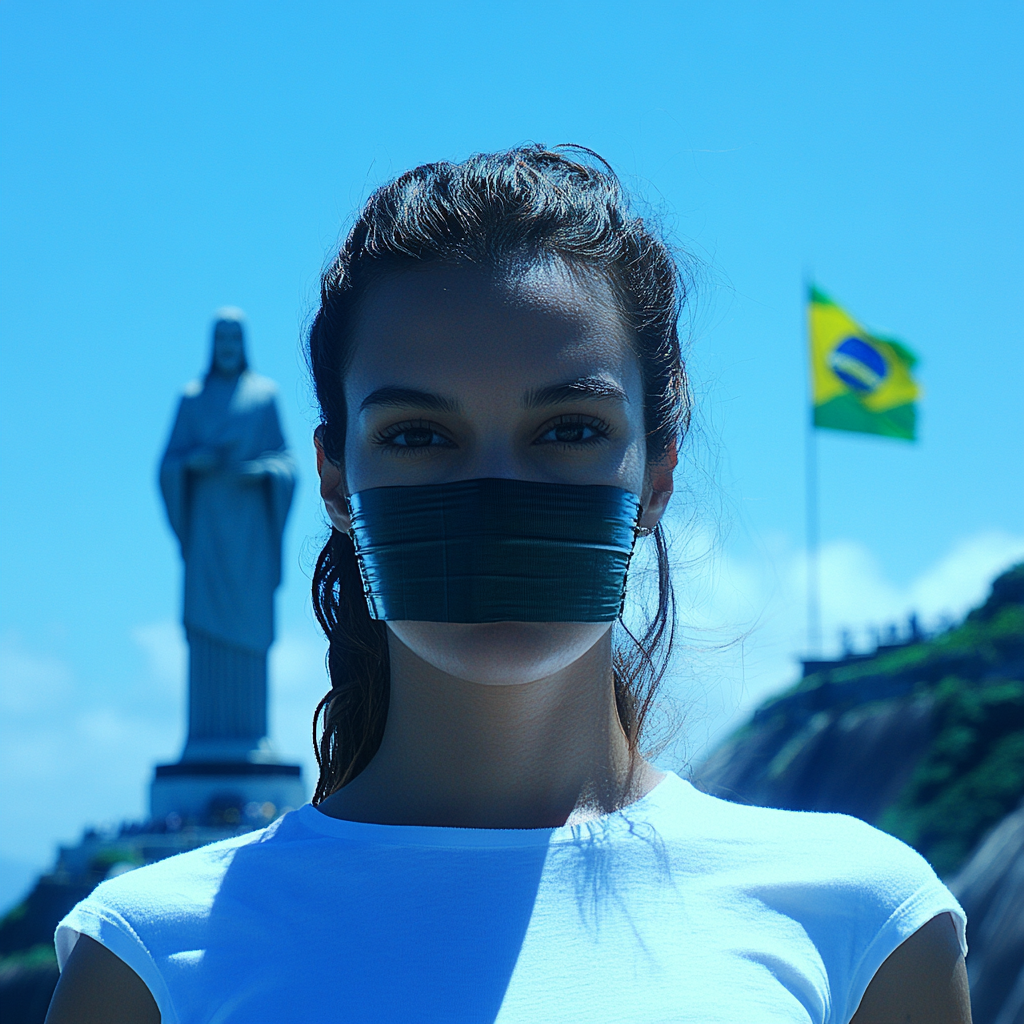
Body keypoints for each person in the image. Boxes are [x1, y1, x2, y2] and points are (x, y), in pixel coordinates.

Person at [46, 147, 971, 1024]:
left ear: (657, 475)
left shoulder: (860, 923)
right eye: (417, 435)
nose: (494, 494)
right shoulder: (148, 957)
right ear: (334, 481)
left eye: (569, 429)